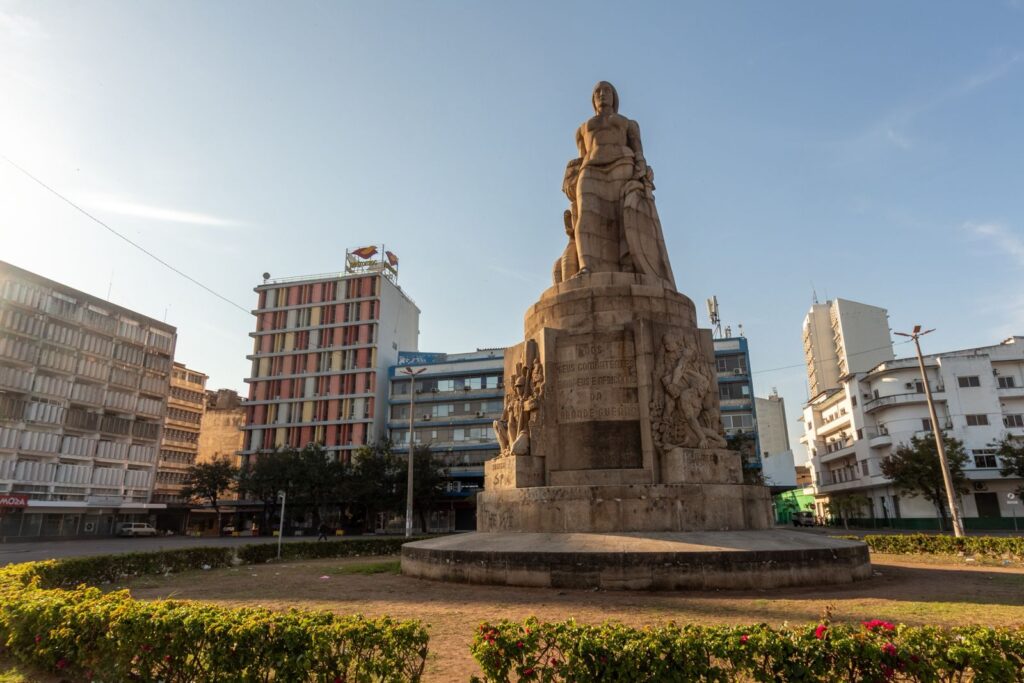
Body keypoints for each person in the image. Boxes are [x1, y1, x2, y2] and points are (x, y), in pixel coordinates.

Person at [568, 81, 675, 289]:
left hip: (622, 165)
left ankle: (628, 264)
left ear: (615, 97)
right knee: (587, 215)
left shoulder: (628, 123)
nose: (602, 95)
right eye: (597, 92)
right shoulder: (582, 129)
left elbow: (639, 152)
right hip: (590, 169)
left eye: (607, 91)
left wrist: (642, 168)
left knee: (623, 216)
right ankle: (587, 266)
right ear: (593, 99)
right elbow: (581, 157)